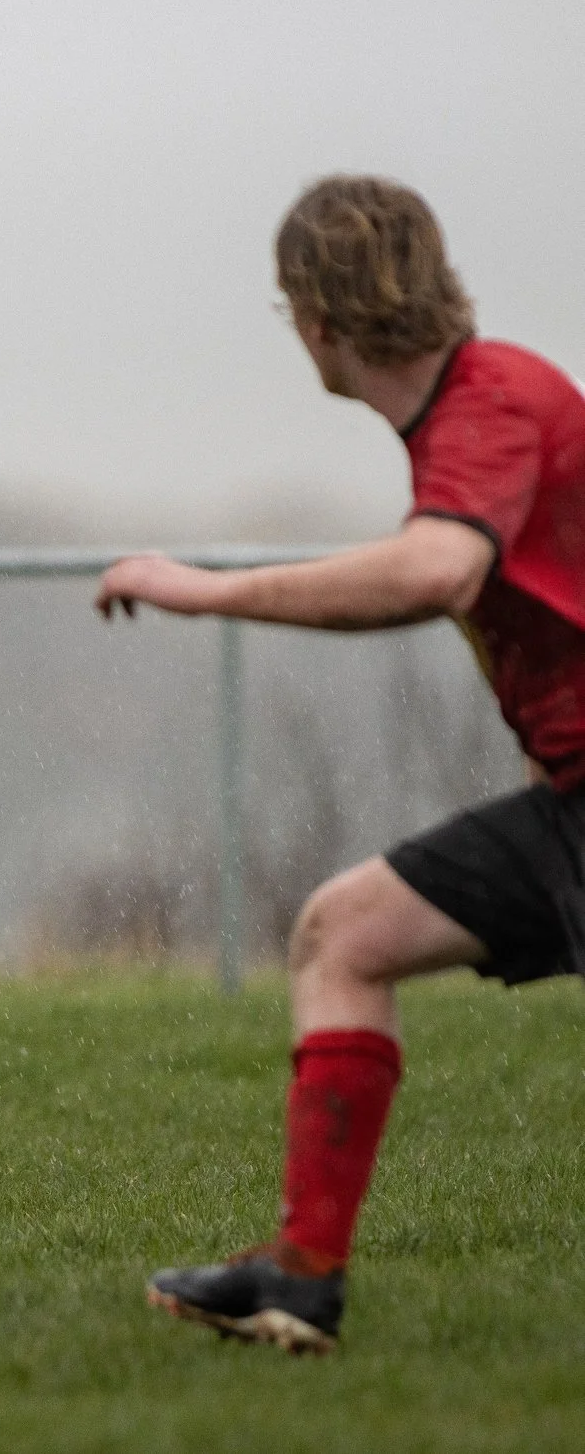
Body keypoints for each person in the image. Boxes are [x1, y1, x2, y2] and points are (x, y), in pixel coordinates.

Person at [98, 175, 585, 1352]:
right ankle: (299, 1278)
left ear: (315, 320)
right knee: (341, 933)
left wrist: (199, 589)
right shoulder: (473, 409)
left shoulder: (492, 399)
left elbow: (433, 571)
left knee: (337, 932)